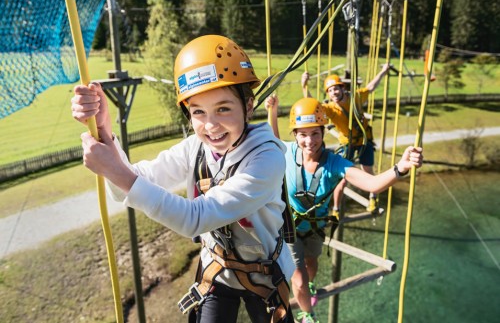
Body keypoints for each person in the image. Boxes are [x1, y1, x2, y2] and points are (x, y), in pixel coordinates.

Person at [71, 35, 296, 323]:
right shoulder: (196, 149)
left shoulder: (267, 159)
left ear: (249, 106)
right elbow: (133, 183)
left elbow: (196, 217)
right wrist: (104, 130)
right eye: (198, 112)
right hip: (218, 270)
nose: (211, 125)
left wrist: (115, 170)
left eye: (223, 108)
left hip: (265, 276)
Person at [265, 95, 423, 323]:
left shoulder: (334, 163)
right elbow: (272, 140)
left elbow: (372, 184)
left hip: (316, 228)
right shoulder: (288, 153)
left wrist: (401, 167)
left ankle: (309, 285)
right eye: (302, 134)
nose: (309, 141)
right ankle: (308, 314)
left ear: (323, 133)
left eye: (315, 134)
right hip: (289, 229)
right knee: (297, 279)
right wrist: (273, 110)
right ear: (296, 135)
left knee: (311, 263)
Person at [301, 64, 391, 213]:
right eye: (330, 91)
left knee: (368, 172)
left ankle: (373, 199)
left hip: (363, 140)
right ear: (328, 94)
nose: (334, 93)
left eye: (336, 88)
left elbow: (371, 87)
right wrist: (304, 86)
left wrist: (382, 71)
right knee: (341, 178)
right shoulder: (330, 108)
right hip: (347, 142)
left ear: (343, 89)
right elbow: (313, 105)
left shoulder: (355, 97)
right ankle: (336, 208)